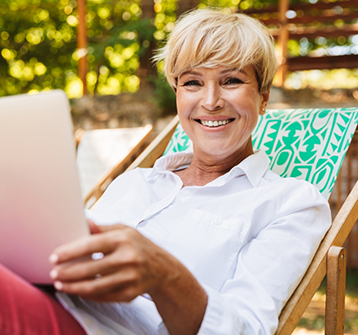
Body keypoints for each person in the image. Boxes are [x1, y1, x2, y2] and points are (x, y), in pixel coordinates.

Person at [0, 8, 331, 335]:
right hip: (48, 298)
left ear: (262, 97)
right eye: (192, 83)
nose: (211, 101)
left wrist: (163, 274)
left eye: (231, 80)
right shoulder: (134, 182)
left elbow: (245, 329)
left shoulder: (291, 203)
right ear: (177, 96)